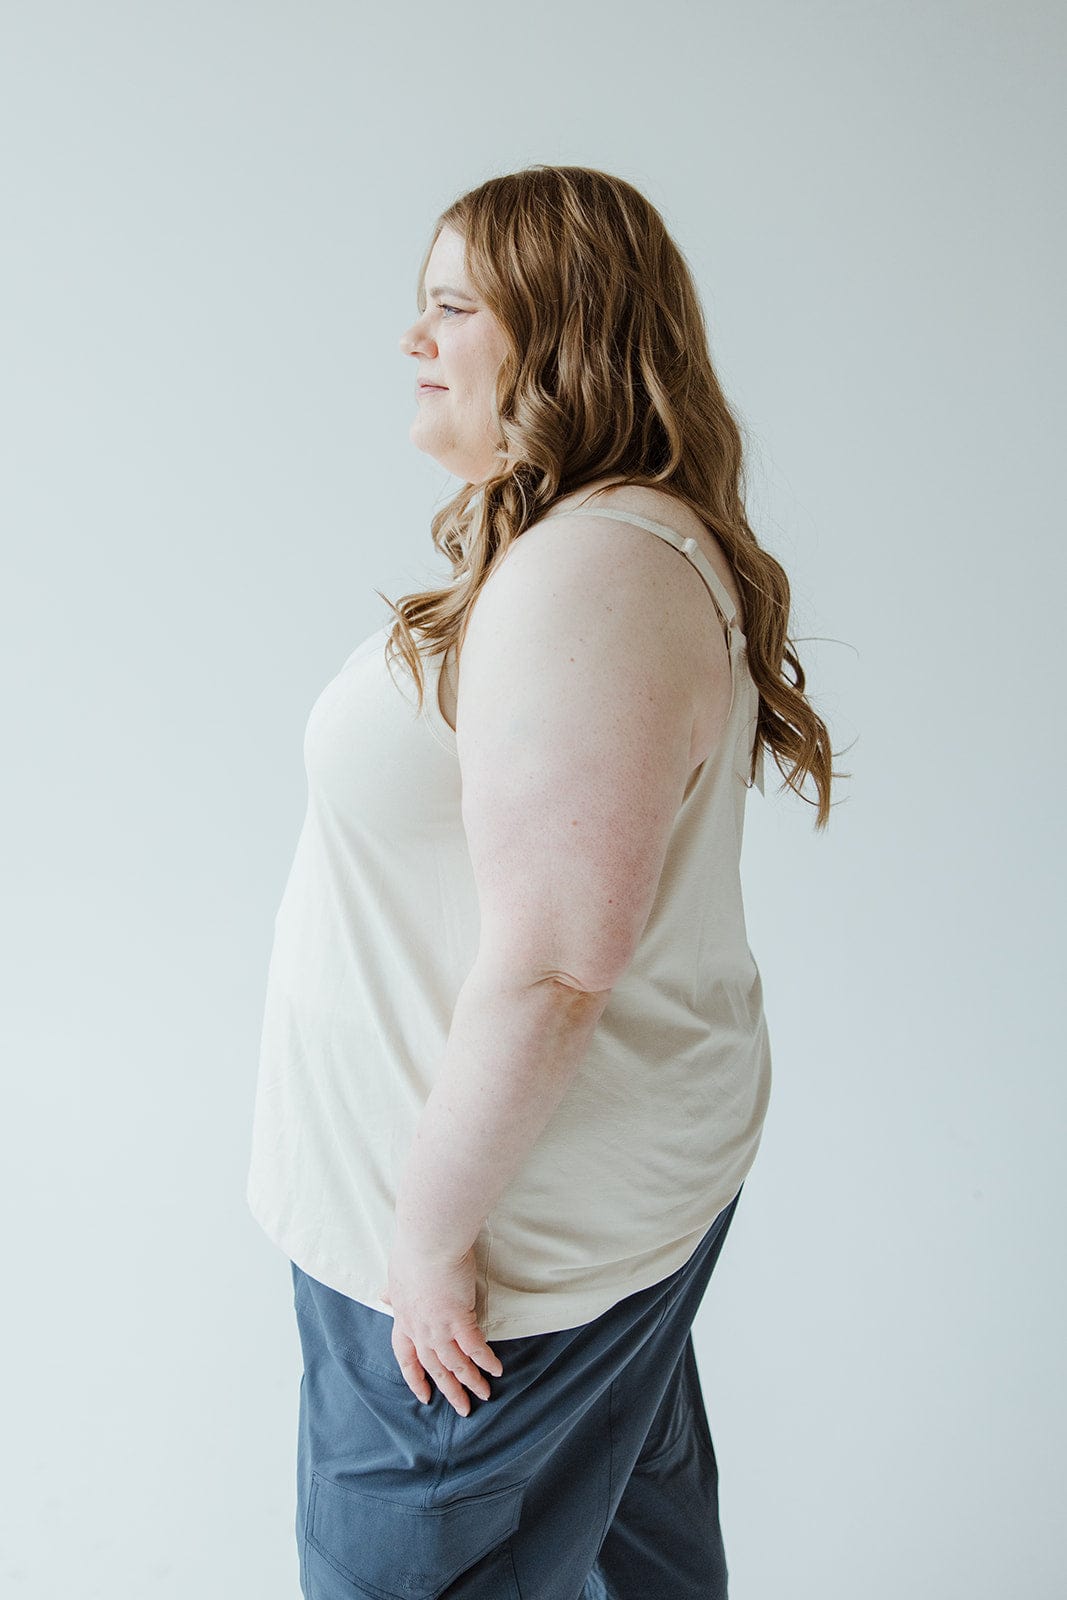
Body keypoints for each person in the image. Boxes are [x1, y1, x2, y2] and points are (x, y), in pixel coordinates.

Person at [246, 164, 838, 1599]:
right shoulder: (593, 541)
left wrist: (433, 1244)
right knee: (632, 1552)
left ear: (562, 338)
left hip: (486, 1275)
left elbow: (560, 961)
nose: (415, 338)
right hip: (566, 1214)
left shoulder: (592, 575)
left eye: (452, 306)